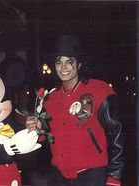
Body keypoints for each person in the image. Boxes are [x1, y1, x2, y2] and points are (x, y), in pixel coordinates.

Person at [26, 34, 124, 186]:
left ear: (79, 65)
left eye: (69, 62)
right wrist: (37, 130)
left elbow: (116, 135)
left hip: (92, 176)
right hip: (58, 176)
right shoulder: (49, 98)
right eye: (59, 62)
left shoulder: (99, 91)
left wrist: (114, 176)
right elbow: (47, 139)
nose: (63, 68)